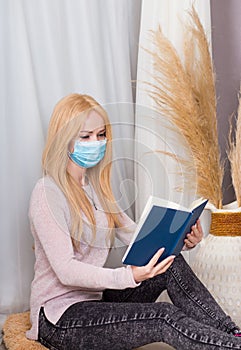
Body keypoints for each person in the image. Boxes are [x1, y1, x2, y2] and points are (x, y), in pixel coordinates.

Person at [26, 93, 241, 350]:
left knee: (169, 263)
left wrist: (181, 240)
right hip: (59, 317)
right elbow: (66, 270)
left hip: (96, 302)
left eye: (100, 134)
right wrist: (128, 276)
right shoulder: (47, 193)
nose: (96, 142)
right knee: (163, 316)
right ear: (65, 140)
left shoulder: (96, 189)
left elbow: (136, 238)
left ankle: (233, 334)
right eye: (85, 136)